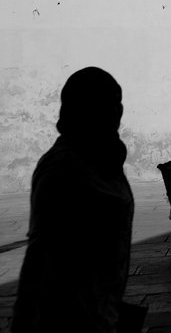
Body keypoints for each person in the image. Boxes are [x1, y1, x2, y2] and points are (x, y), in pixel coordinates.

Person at [13, 67, 140, 333]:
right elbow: (39, 261)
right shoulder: (62, 169)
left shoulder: (105, 157)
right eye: (107, 105)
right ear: (84, 110)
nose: (117, 113)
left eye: (118, 104)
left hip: (103, 315)